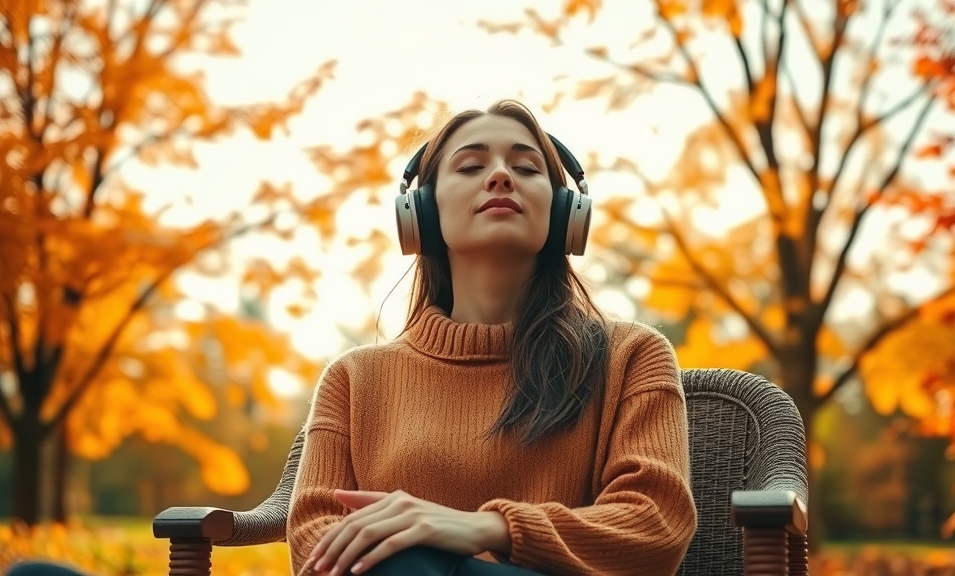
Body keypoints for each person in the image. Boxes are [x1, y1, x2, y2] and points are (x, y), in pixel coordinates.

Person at [286, 99, 697, 576]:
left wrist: (482, 528)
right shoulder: (353, 379)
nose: (501, 176)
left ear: (565, 213)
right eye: (471, 166)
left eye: (526, 167)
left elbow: (656, 525)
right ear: (420, 212)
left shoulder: (633, 356)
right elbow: (315, 540)